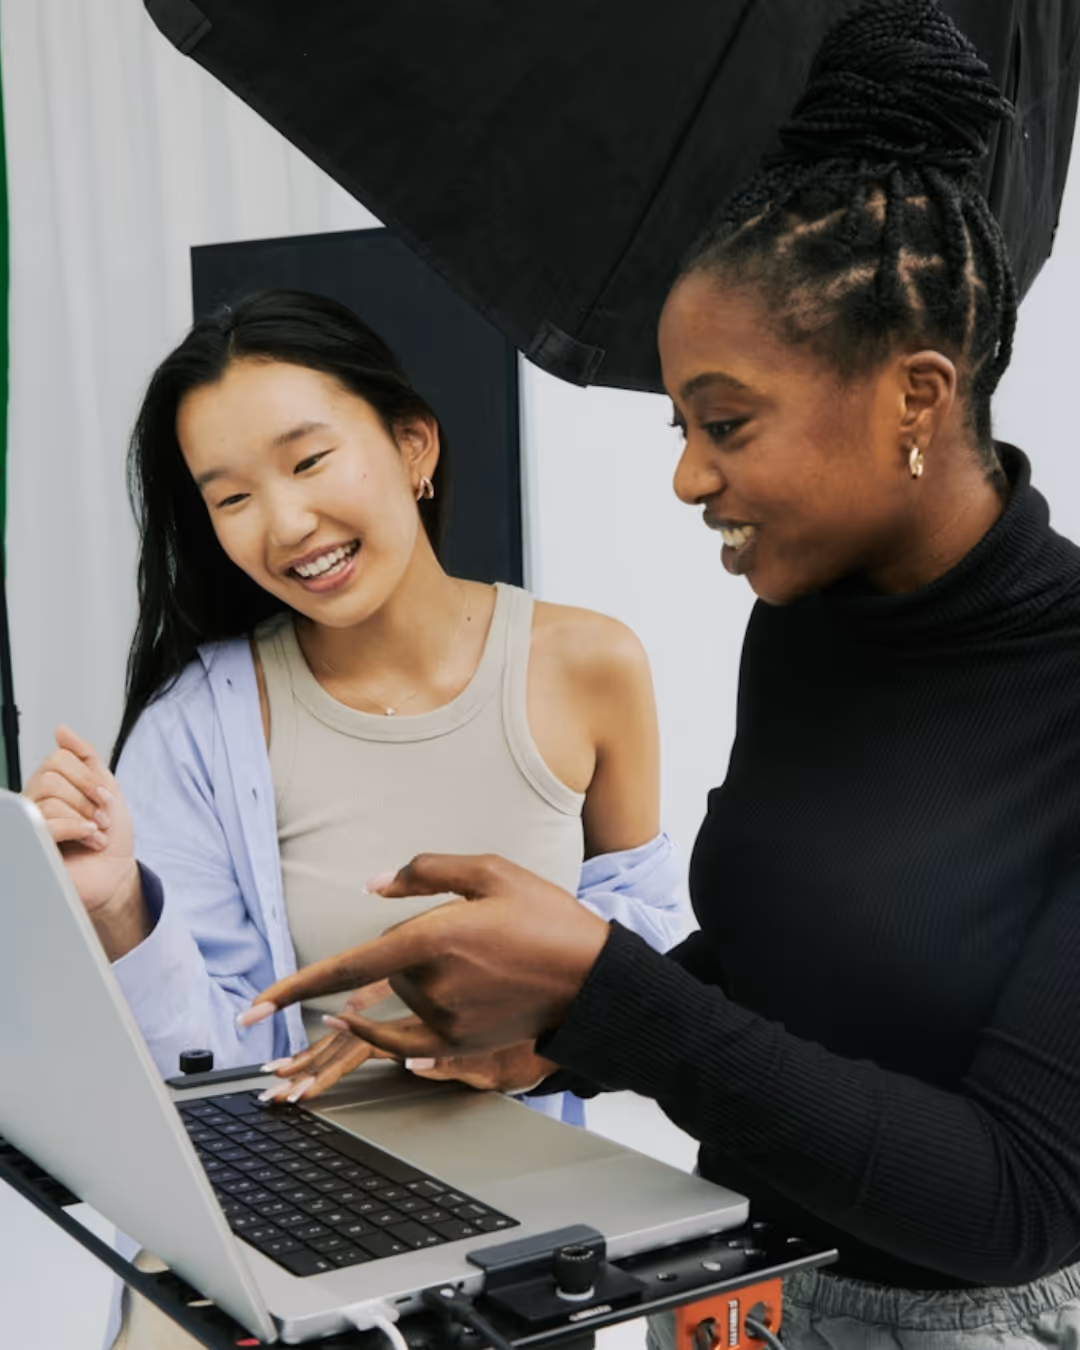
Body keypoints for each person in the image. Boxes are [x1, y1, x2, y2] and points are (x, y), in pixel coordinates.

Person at [244, 3, 1080, 1346]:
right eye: (684, 421)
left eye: (725, 422)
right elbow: (790, 965)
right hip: (739, 1275)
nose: (688, 475)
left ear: (916, 397)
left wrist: (603, 991)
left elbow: (1015, 1198)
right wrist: (548, 1034)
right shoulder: (812, 610)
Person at [23, 291, 680, 1346]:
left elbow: (653, 967)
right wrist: (117, 913)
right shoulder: (197, 724)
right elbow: (206, 1075)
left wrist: (511, 992)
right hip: (270, 1239)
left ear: (413, 445)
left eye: (310, 461)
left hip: (507, 1246)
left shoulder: (590, 665)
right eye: (230, 497)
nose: (285, 526)